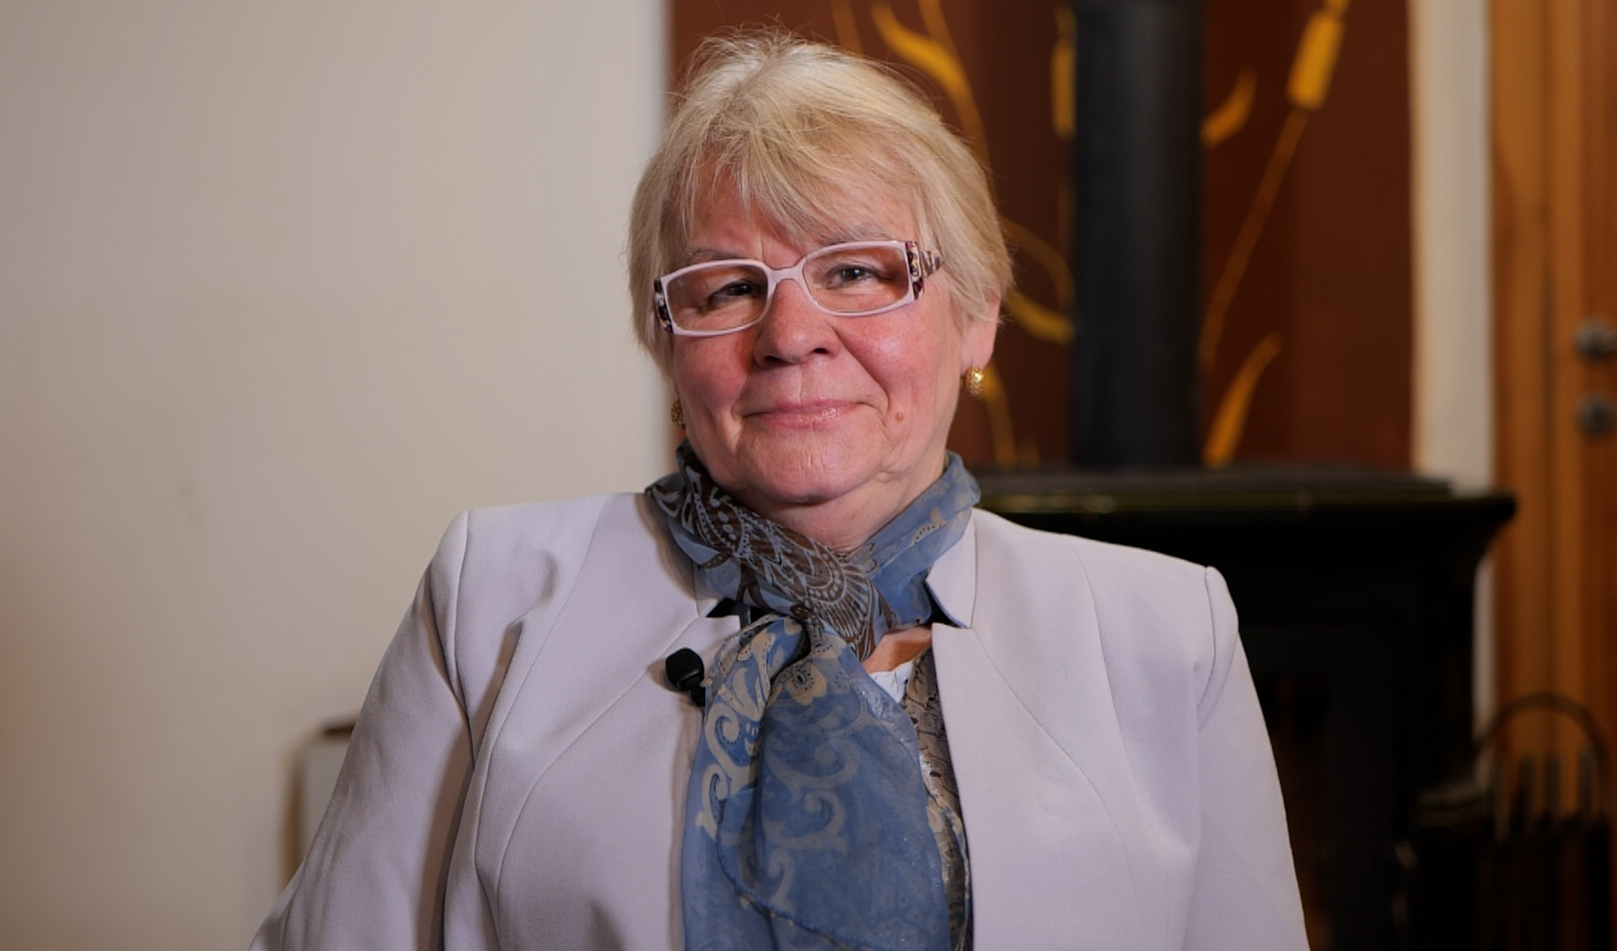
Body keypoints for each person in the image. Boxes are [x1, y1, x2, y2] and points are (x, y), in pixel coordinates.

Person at [251, 33, 1306, 951]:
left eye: (857, 272)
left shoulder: (1168, 631)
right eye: (727, 288)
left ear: (978, 315)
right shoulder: (492, 600)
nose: (791, 335)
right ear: (665, 344)